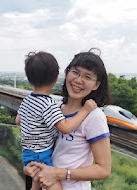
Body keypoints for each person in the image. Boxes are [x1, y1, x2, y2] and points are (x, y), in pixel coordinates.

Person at [24, 48, 111, 190]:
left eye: (87, 77)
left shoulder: (94, 116)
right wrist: (30, 168)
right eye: (75, 72)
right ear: (66, 73)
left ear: (96, 85)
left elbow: (104, 169)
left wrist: (59, 174)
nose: (78, 80)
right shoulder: (54, 107)